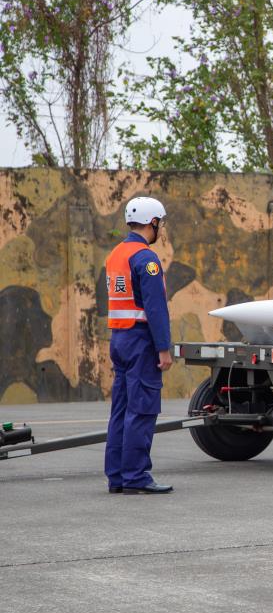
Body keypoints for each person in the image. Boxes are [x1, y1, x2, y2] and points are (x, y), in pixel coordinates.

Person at [104, 196, 173, 494]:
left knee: (120, 410)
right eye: (161, 223)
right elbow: (155, 308)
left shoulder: (116, 254)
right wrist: (164, 348)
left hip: (119, 338)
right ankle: (136, 477)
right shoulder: (146, 259)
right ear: (153, 222)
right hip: (141, 340)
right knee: (142, 409)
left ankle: (117, 477)